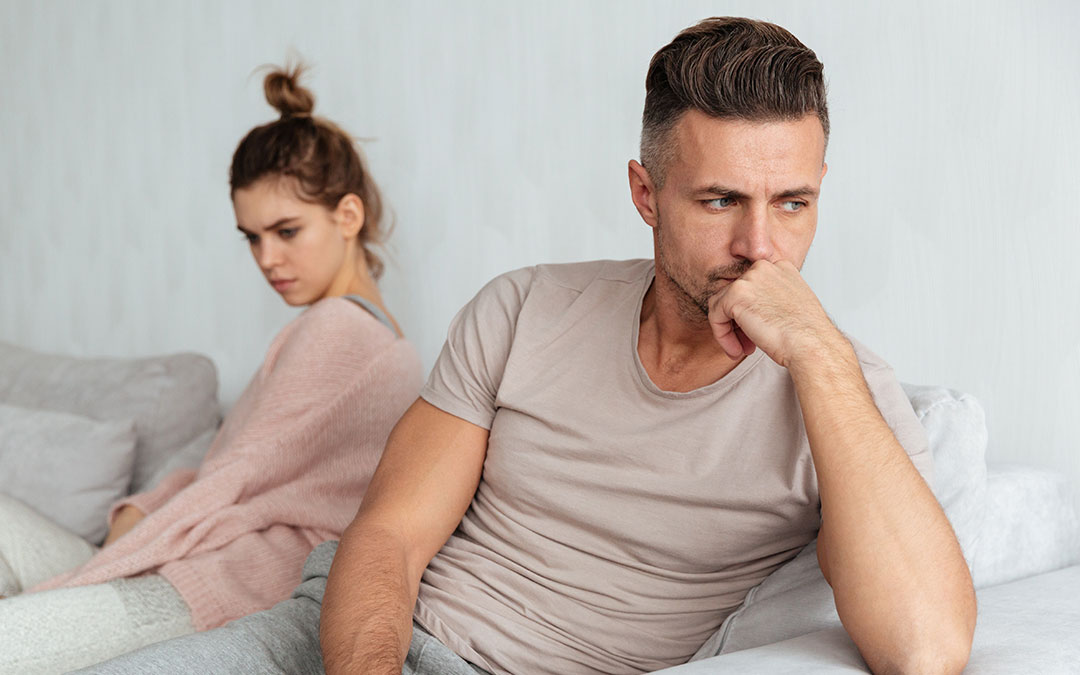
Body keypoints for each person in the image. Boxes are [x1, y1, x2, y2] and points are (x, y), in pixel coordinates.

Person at [80, 17, 976, 675]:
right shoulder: (524, 308)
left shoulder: (849, 391)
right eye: (718, 201)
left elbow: (927, 648)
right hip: (360, 630)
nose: (759, 247)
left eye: (792, 203)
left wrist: (818, 353)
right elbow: (389, 533)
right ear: (645, 191)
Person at [0, 65, 423, 675]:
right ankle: (5, 646)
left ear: (347, 216)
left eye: (286, 231)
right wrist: (142, 510)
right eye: (251, 238)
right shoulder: (378, 338)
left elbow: (234, 480)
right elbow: (236, 464)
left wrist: (102, 568)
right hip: (188, 558)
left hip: (212, 585)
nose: (267, 259)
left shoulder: (338, 330)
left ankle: (0, 642)